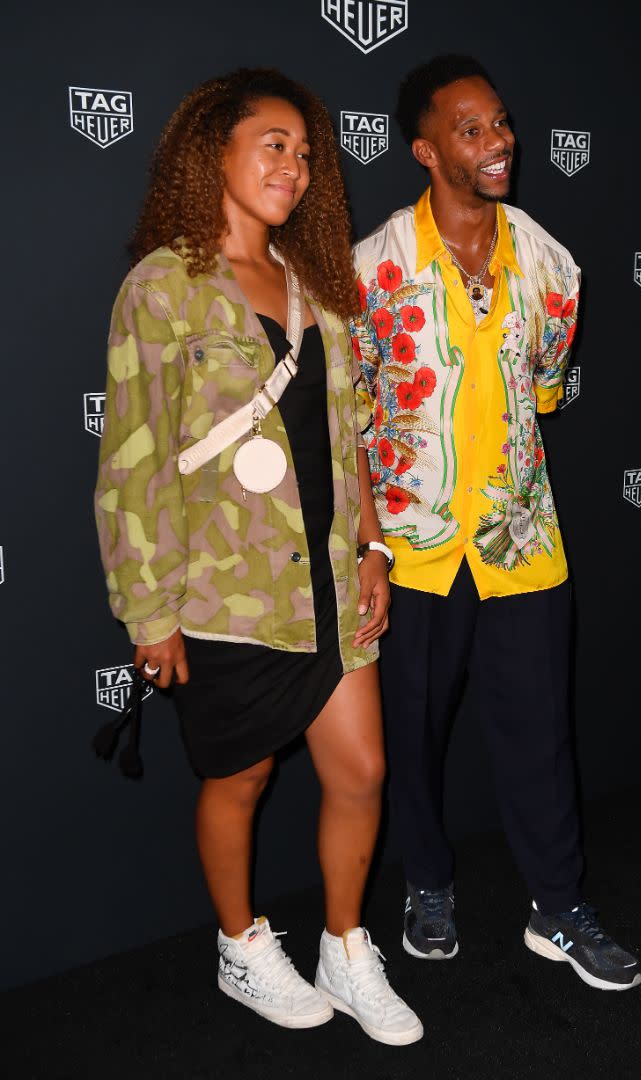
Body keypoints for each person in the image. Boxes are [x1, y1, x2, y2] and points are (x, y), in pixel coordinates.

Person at [95, 68, 422, 1045]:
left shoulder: (316, 283)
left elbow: (347, 440)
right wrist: (146, 611)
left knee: (361, 771)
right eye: (272, 144)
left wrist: (371, 546)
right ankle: (242, 944)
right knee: (240, 781)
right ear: (215, 153)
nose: (294, 165)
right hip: (226, 596)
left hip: (326, 580)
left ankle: (346, 945)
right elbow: (130, 461)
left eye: (307, 153)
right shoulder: (161, 286)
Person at [350, 55, 641, 991]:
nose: (499, 142)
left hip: (522, 541)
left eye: (502, 124)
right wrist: (367, 545)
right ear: (426, 150)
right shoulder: (370, 271)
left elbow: (544, 393)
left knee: (540, 735)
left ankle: (557, 908)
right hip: (410, 548)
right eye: (472, 130)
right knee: (409, 735)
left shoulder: (553, 264)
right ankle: (426, 885)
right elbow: (347, 415)